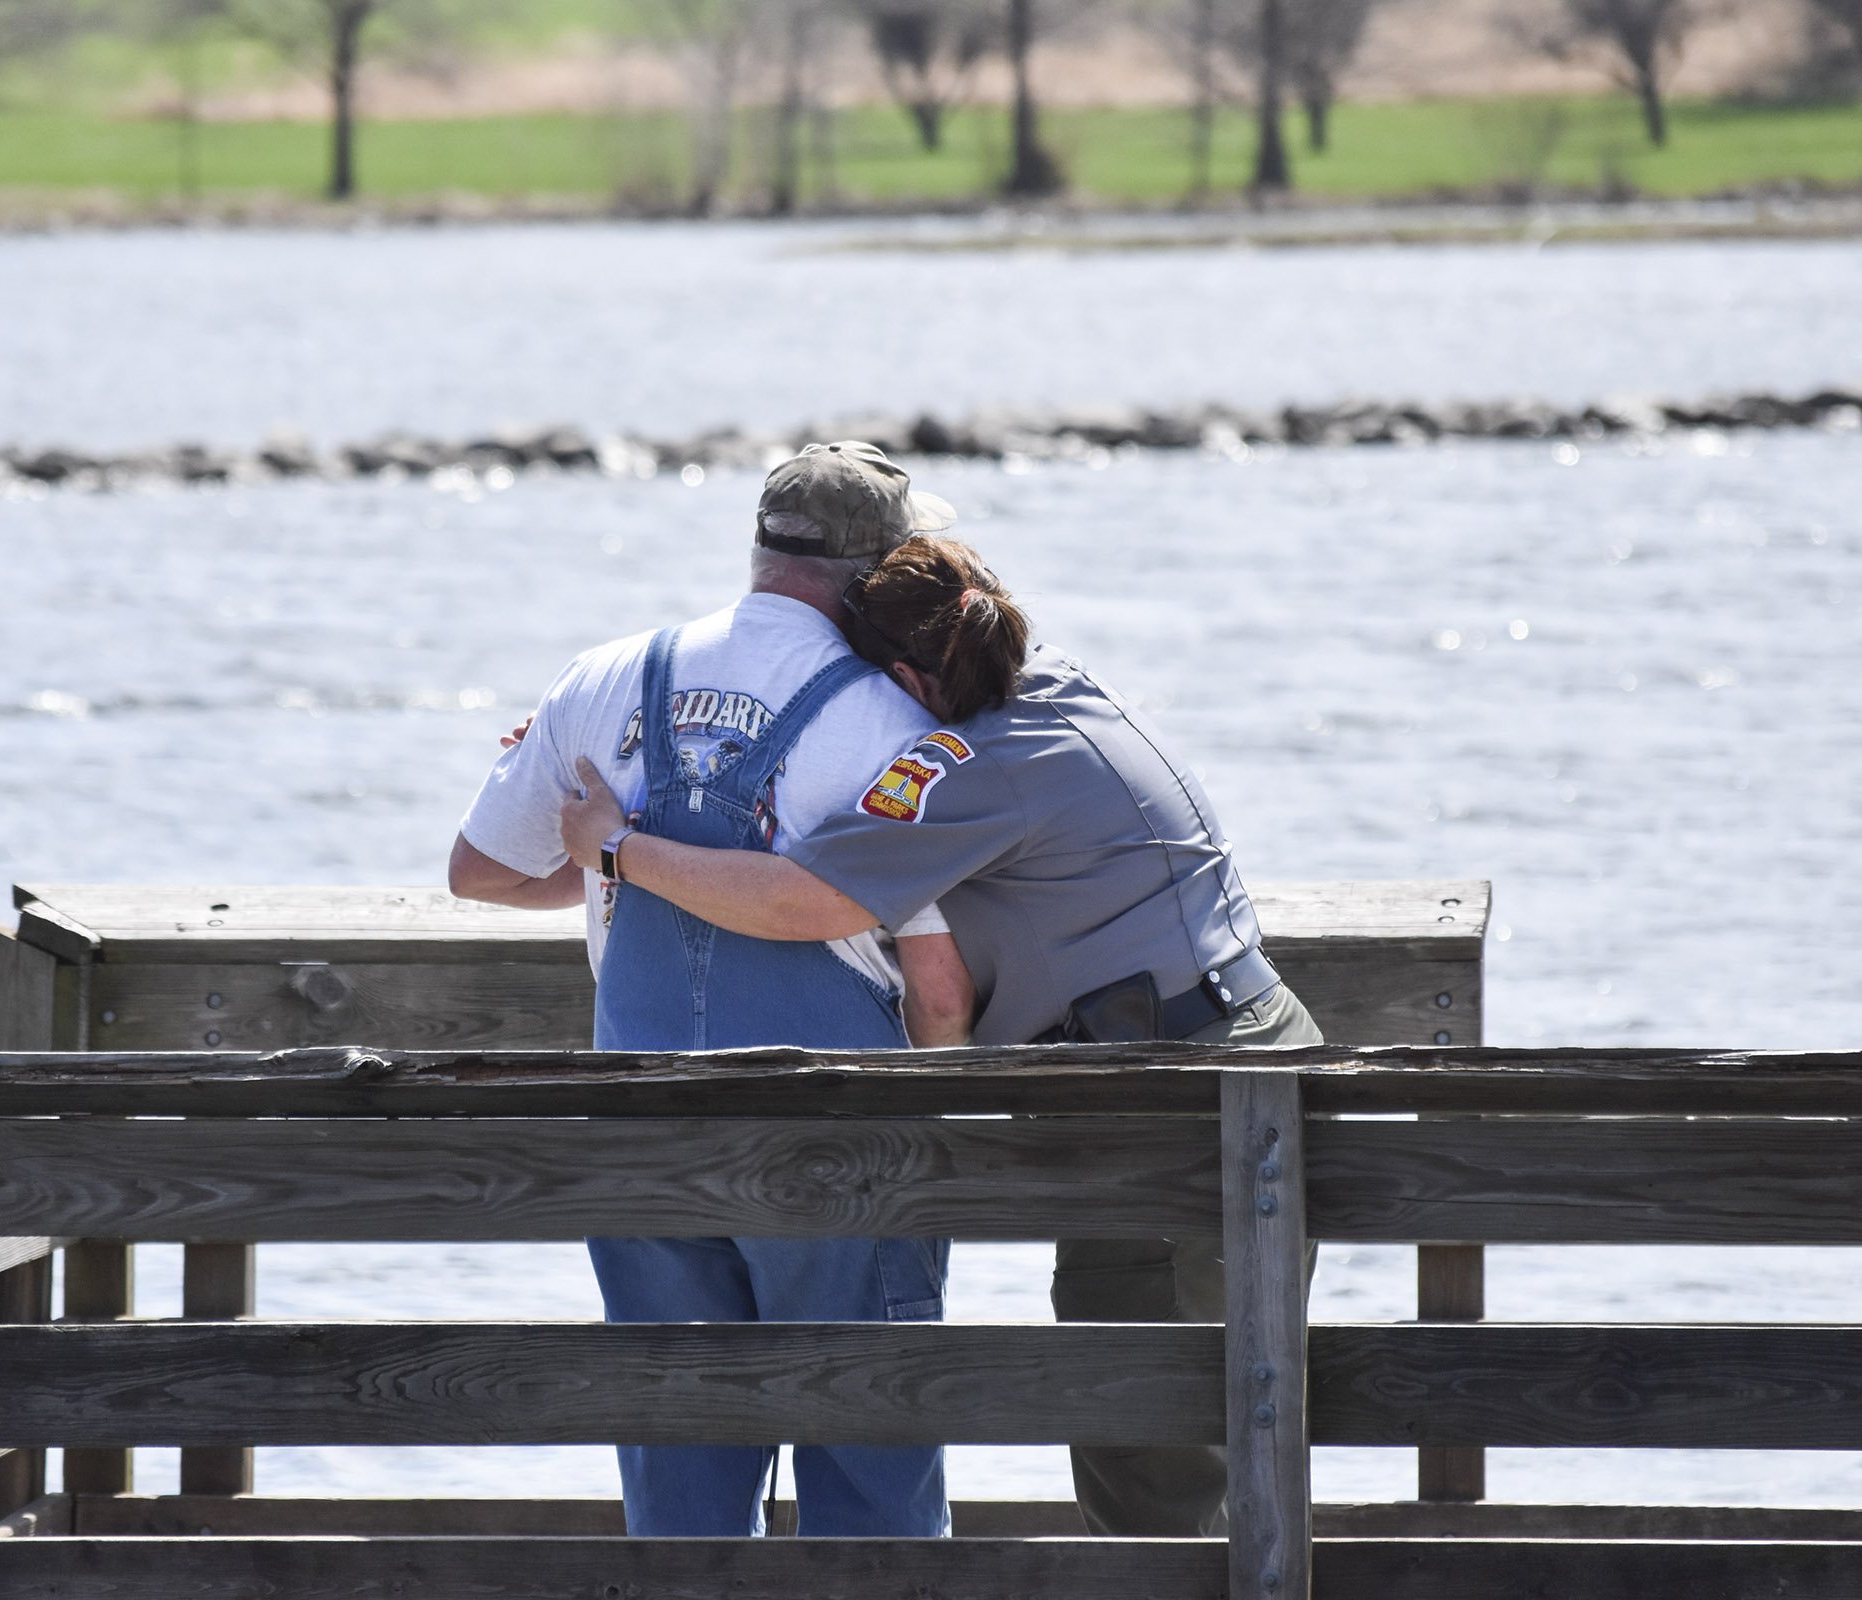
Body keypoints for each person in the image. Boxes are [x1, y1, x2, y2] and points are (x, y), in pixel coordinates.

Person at [556, 533, 1323, 1539]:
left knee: (1153, 1438)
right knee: (1223, 1413)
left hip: (1181, 1097)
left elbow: (807, 898)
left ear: (905, 677)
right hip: (1233, 1054)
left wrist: (616, 844)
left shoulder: (964, 766)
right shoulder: (1056, 689)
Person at [446, 441, 976, 1538]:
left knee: (679, 1470)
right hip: (835, 1140)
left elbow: (481, 870)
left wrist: (613, 855)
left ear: (759, 551)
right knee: (868, 1458)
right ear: (882, 569)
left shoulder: (603, 678)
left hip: (641, 1128)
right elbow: (936, 979)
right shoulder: (892, 724)